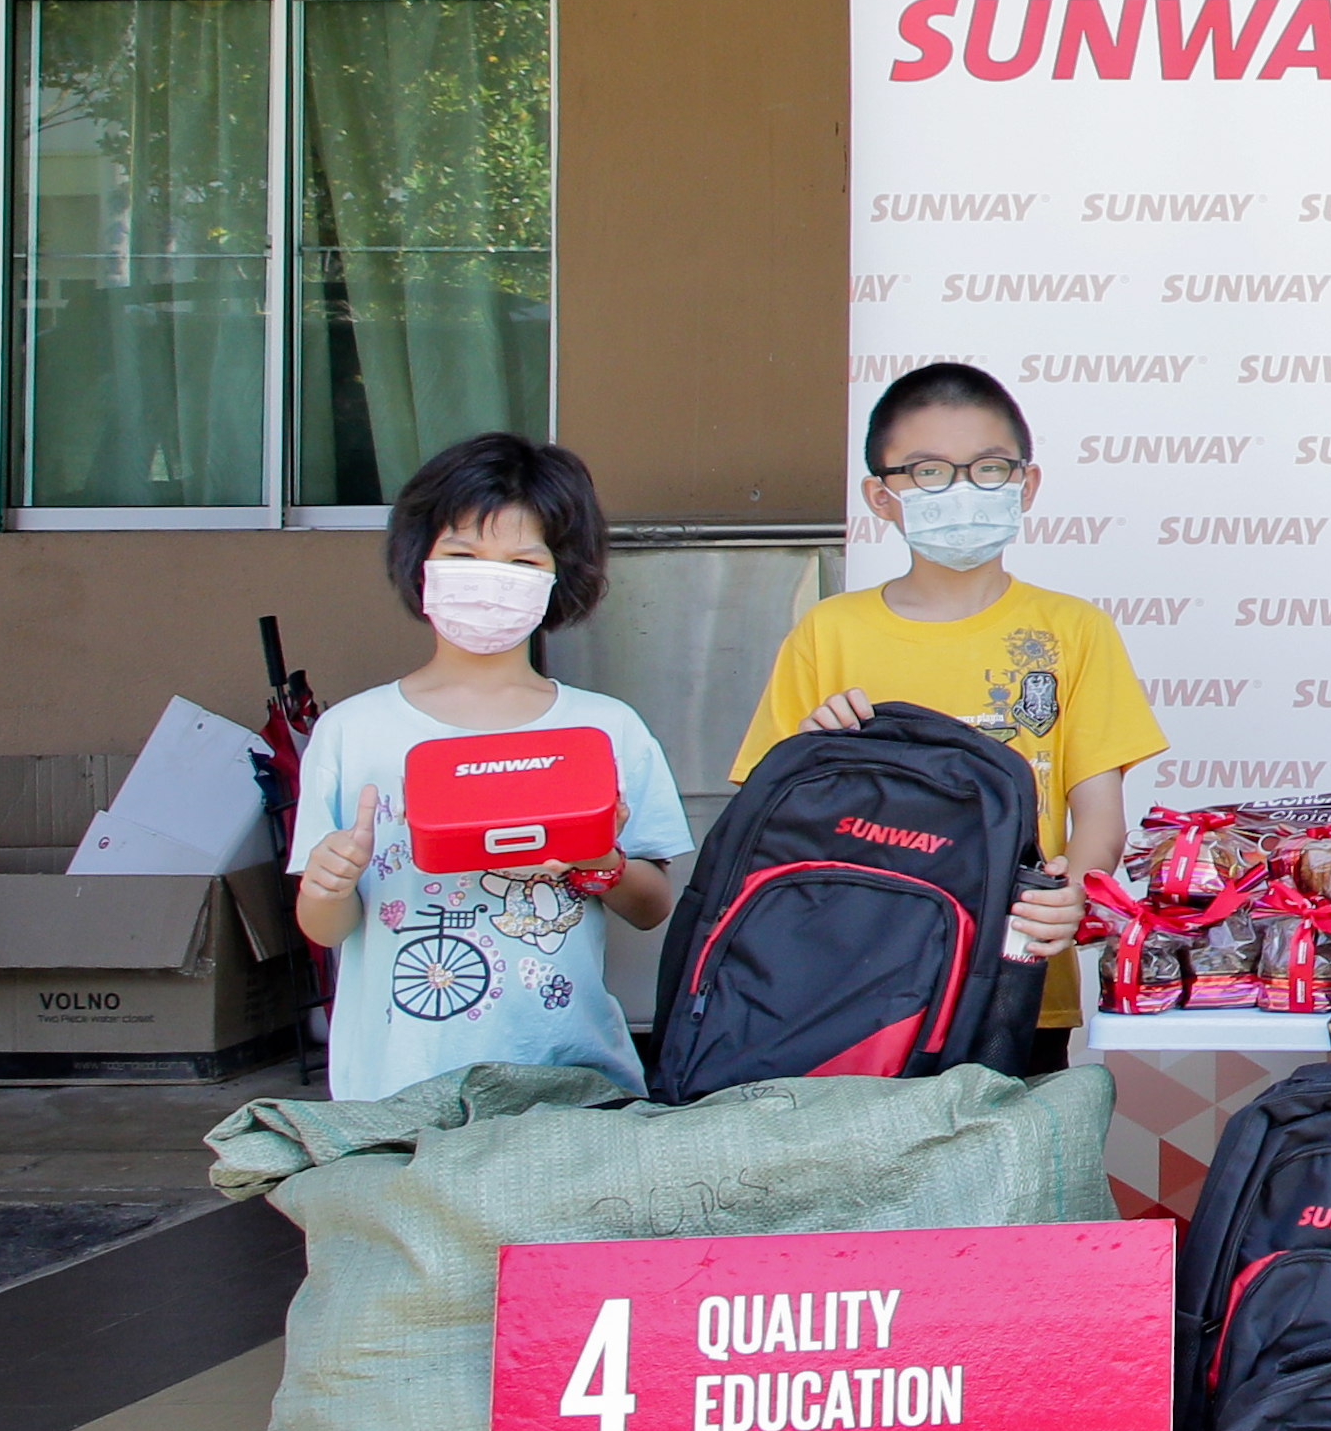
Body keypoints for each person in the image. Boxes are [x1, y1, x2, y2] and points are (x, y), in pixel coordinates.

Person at [288, 432, 696, 1100]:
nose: (489, 577)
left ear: (562, 573)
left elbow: (652, 907)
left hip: (570, 1079)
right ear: (419, 560)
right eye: (462, 554)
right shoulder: (352, 733)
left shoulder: (606, 730)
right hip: (397, 1088)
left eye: (521, 560)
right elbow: (325, 929)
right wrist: (328, 885)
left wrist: (603, 863)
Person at [736, 361, 1130, 1007]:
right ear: (881, 496)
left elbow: (1099, 814)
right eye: (928, 471)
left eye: (988, 468)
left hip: (1012, 975)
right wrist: (807, 755)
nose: (961, 488)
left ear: (1025, 485)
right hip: (849, 986)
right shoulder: (827, 632)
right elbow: (762, 820)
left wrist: (1077, 895)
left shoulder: (1075, 630)